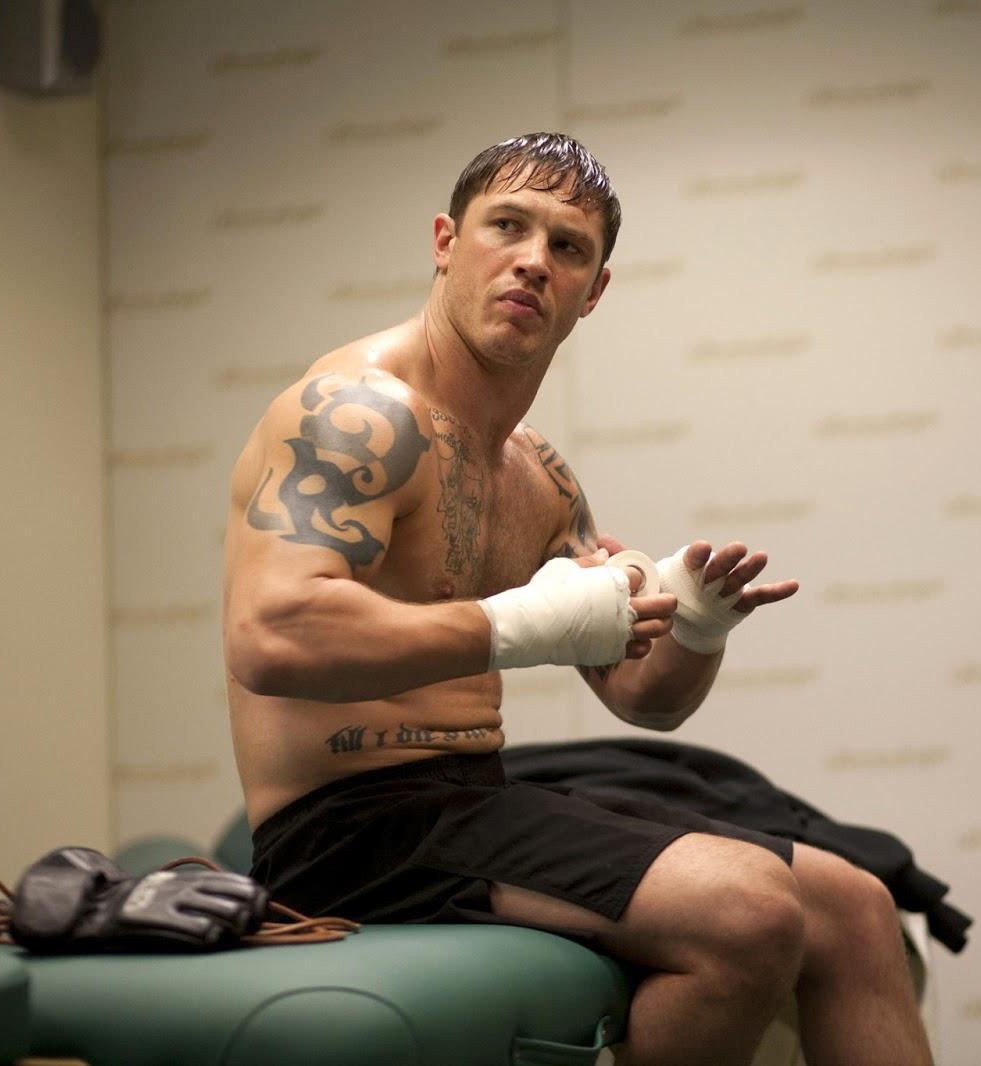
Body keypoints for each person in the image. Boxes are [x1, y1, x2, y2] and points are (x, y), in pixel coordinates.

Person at [222, 132, 933, 1066]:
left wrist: (697, 623)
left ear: (592, 291)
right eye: (506, 227)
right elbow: (272, 635)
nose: (532, 261)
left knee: (857, 905)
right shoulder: (358, 415)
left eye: (567, 247)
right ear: (445, 242)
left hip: (473, 799)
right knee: (749, 909)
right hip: (343, 832)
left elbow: (644, 698)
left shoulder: (538, 476)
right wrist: (520, 626)